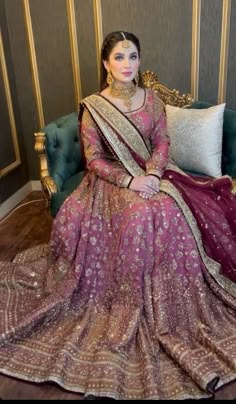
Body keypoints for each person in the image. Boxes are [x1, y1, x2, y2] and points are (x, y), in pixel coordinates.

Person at [0, 31, 236, 401]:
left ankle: (170, 300)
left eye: (133, 56)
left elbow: (162, 143)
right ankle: (129, 301)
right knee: (139, 213)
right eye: (119, 57)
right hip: (110, 181)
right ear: (106, 64)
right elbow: (93, 159)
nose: (128, 64)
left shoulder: (152, 99)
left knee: (170, 206)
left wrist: (154, 174)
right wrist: (130, 180)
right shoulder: (94, 106)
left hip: (154, 174)